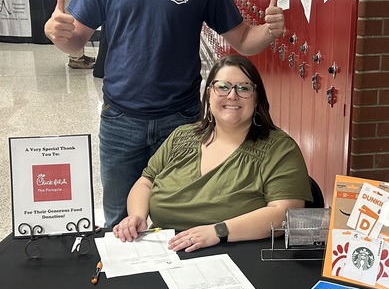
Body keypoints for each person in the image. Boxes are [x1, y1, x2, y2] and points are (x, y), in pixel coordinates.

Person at [44, 0, 285, 225]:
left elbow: (243, 39)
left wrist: (268, 30)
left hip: (182, 122)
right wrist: (59, 35)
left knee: (180, 219)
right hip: (120, 119)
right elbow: (76, 40)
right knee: (118, 221)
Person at [112, 55, 311, 253]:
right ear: (209, 94)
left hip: (237, 256)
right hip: (167, 253)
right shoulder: (181, 136)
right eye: (222, 87)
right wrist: (137, 216)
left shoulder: (279, 149)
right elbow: (146, 182)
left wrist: (218, 231)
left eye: (243, 88)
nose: (232, 95)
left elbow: (285, 214)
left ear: (256, 98)